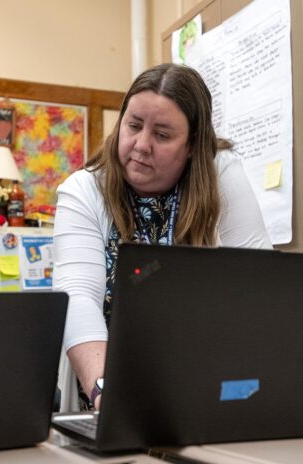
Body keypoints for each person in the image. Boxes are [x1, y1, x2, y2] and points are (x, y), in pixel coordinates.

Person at [53, 63, 272, 410]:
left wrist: (282, 383)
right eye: (134, 126)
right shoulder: (84, 190)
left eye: (163, 135)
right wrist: (105, 391)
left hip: (202, 389)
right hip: (106, 392)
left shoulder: (221, 173)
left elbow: (259, 285)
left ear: (192, 145)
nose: (141, 145)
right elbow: (78, 296)